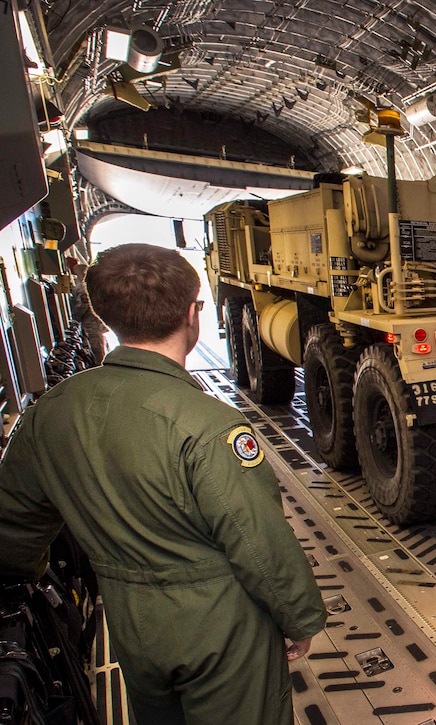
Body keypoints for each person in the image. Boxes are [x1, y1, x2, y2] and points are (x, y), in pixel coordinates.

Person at [0, 243, 327, 724]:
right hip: (221, 627)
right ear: (193, 314)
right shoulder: (209, 425)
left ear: (104, 315)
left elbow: (13, 531)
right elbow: (257, 542)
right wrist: (299, 618)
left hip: (134, 624)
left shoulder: (49, 414)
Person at [66, 256, 108, 365]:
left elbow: (79, 310)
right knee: (96, 356)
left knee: (96, 358)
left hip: (90, 328)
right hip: (94, 328)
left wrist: (70, 320)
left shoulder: (85, 288)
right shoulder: (95, 286)